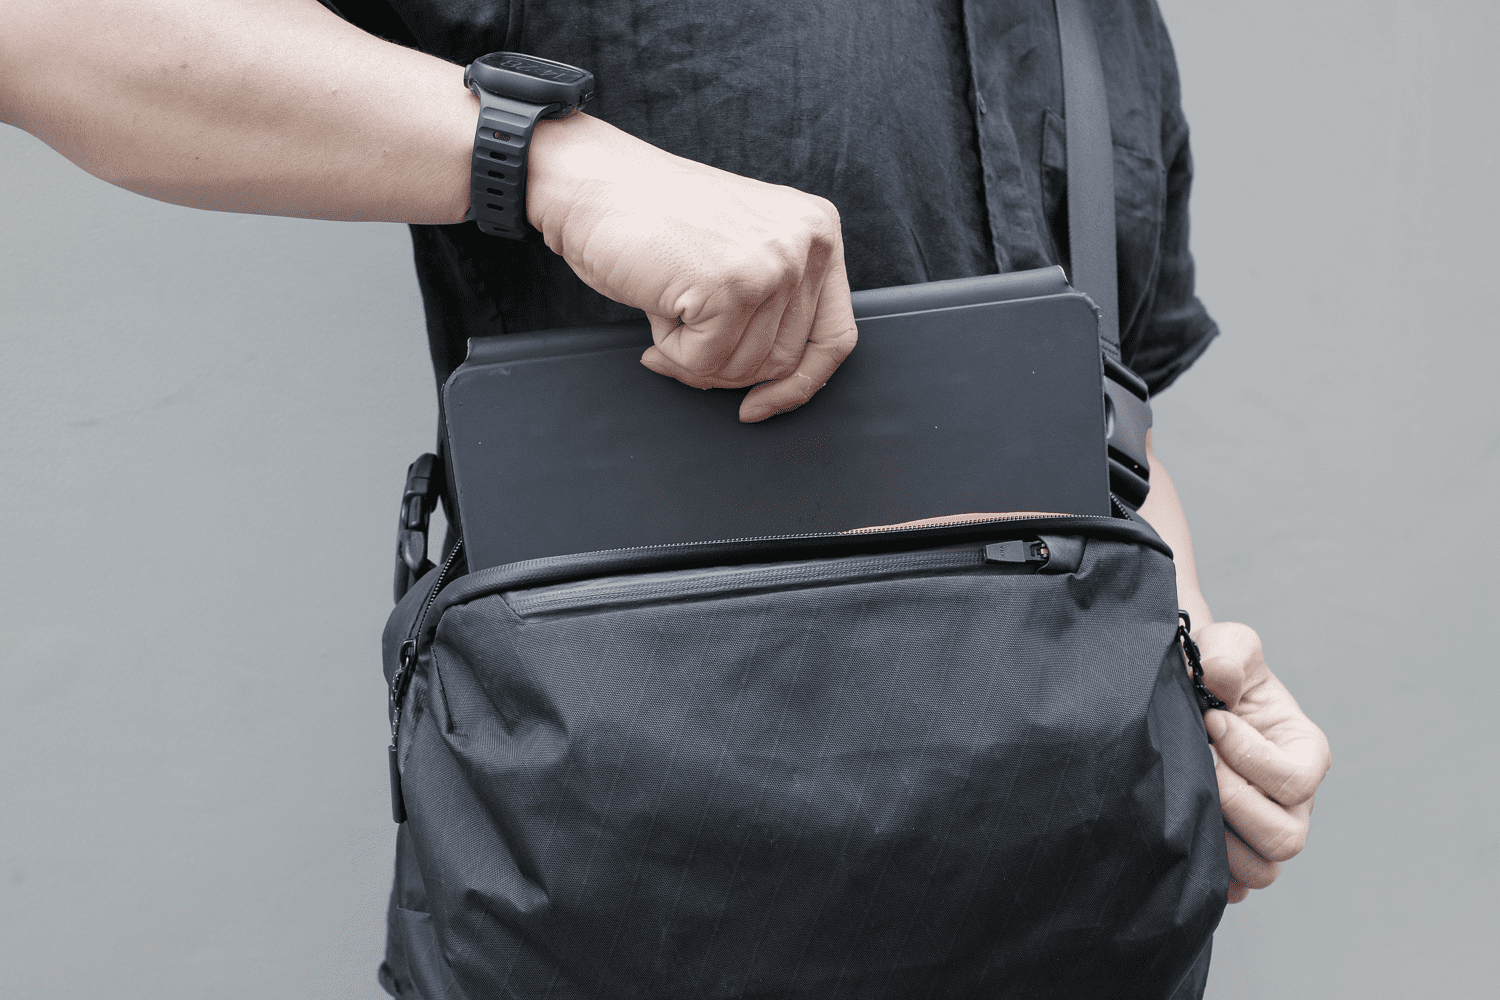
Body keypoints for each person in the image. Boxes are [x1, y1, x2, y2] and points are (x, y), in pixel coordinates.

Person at [0, 0, 1331, 988]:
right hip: (640, 901)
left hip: (1054, 922)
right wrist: (554, 163)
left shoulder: (1098, 20)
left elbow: (1103, 420)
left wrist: (1188, 688)